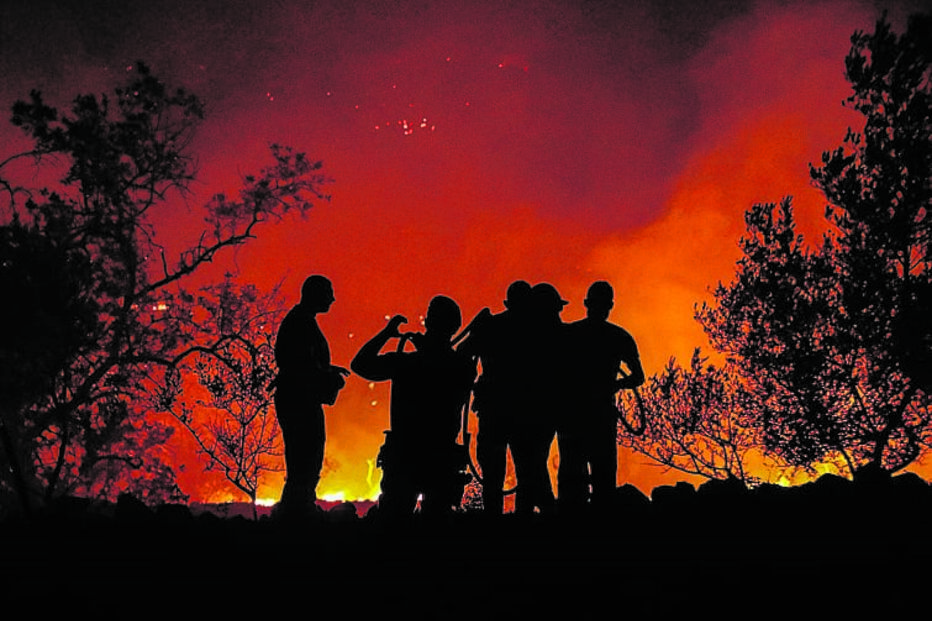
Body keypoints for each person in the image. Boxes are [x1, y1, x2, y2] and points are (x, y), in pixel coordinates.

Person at [351, 295, 476, 519]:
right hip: (440, 456)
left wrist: (387, 334)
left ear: (428, 323)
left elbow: (360, 364)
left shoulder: (407, 364)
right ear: (454, 326)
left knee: (394, 521)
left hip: (405, 455)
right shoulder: (462, 367)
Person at [560, 281, 644, 513]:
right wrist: (615, 385)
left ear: (587, 304)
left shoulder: (570, 334)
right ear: (610, 306)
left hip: (574, 414)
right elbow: (638, 377)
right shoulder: (619, 337)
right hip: (597, 415)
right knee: (602, 476)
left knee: (573, 476)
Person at [271, 275, 349, 519]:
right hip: (299, 402)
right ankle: (296, 513)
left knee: (305, 458)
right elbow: (299, 366)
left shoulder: (301, 321)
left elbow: (302, 362)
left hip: (298, 399)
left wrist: (327, 371)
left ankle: (297, 508)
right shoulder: (300, 323)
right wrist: (326, 377)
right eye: (328, 293)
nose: (333, 299)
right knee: (304, 459)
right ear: (315, 294)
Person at [456, 280, 533, 515]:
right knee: (527, 471)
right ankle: (523, 520)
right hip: (522, 411)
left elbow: (461, 352)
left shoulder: (491, 327)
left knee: (493, 474)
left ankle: (493, 524)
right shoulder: (535, 331)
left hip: (495, 411)